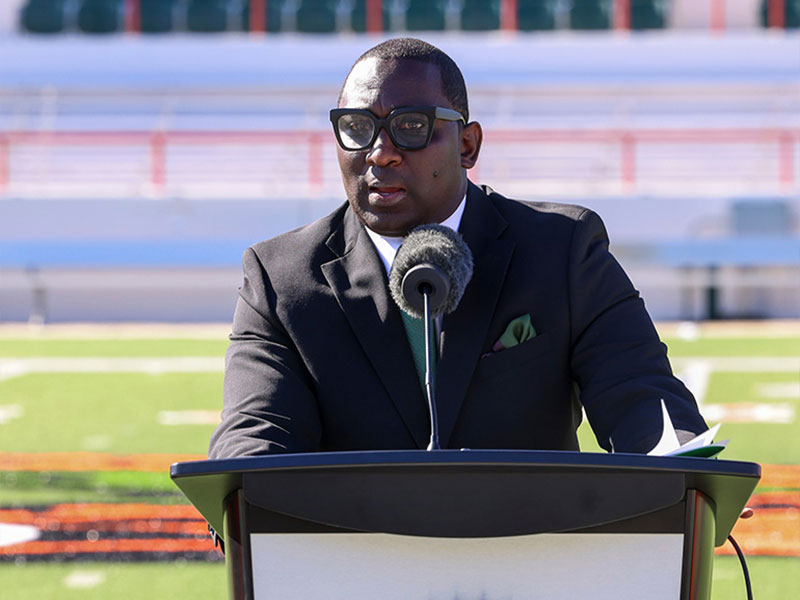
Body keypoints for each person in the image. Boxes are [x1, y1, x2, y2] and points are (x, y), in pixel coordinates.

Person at [208, 37, 707, 459]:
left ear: (467, 146)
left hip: (533, 556)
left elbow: (641, 394)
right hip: (357, 564)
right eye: (357, 128)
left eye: (410, 126)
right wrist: (239, 493)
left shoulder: (563, 251)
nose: (379, 152)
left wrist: (688, 476)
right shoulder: (280, 278)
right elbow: (256, 431)